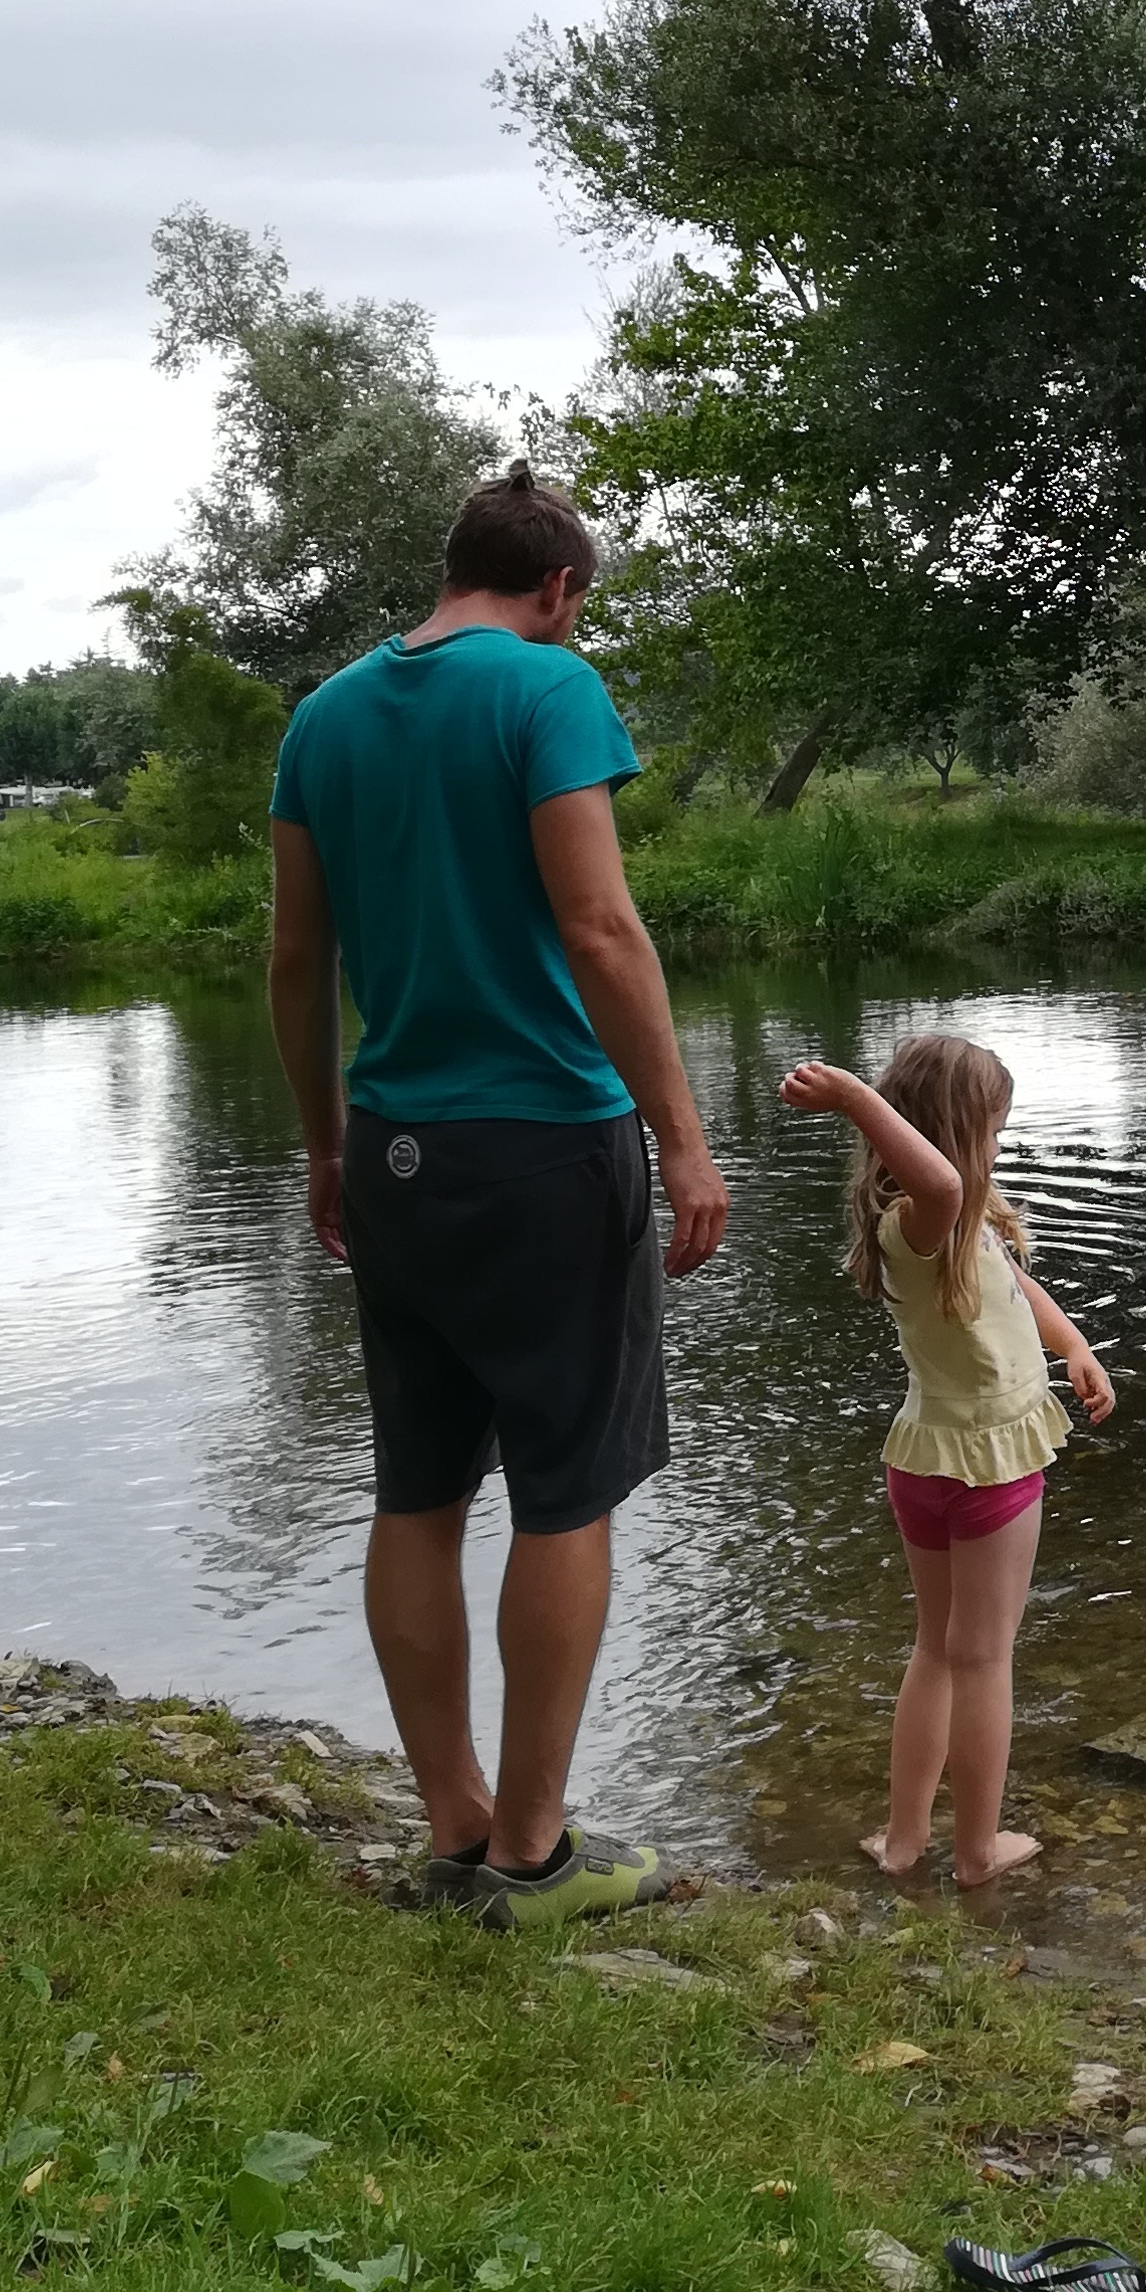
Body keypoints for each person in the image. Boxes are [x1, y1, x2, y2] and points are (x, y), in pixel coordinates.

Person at [266, 462, 728, 1932]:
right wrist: (688, 1137)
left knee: (416, 1491)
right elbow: (598, 925)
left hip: (396, 1147)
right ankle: (534, 1853)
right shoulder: (549, 689)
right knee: (566, 1489)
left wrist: (326, 1144)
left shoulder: (322, 719)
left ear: (449, 565)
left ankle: (453, 1819)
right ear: (559, 590)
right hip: (543, 1145)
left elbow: (293, 961)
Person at [776, 1034, 1112, 1883]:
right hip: (990, 1469)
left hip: (924, 1461)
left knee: (936, 1650)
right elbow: (944, 1180)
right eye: (991, 1129)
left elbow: (1012, 1281)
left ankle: (902, 1841)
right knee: (983, 1657)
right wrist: (853, 1096)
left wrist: (1073, 1346)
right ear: (952, 1133)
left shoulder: (964, 1222)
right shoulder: (920, 1218)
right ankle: (974, 1852)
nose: (998, 1144)